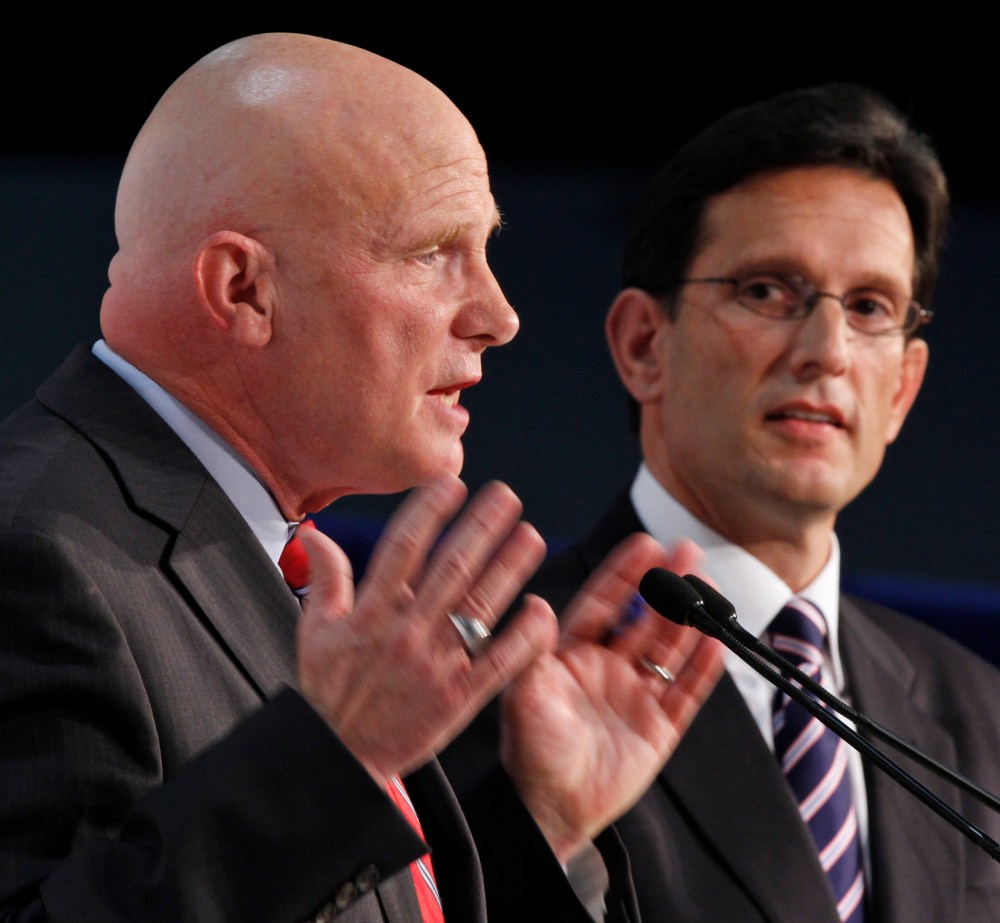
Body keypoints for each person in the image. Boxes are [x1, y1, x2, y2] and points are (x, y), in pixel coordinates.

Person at [0, 32, 724, 923]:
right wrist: (335, 762)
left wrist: (546, 826)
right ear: (243, 291)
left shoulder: (282, 562)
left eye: (487, 248)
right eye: (431, 252)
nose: (499, 315)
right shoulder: (33, 552)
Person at [452, 84, 1000, 921]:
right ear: (644, 345)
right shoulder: (484, 668)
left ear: (904, 389)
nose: (826, 352)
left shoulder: (978, 714)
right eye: (768, 291)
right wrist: (545, 829)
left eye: (869, 307)